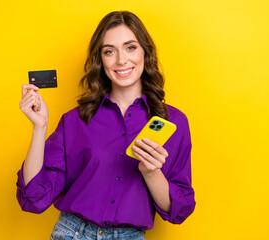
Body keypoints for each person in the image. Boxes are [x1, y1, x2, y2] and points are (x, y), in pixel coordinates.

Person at [16, 11, 195, 240]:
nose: (121, 60)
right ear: (100, 60)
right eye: (109, 51)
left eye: (130, 47)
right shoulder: (75, 120)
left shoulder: (173, 122)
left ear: (145, 52)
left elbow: (178, 209)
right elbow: (34, 195)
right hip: (73, 233)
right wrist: (39, 128)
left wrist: (151, 172)